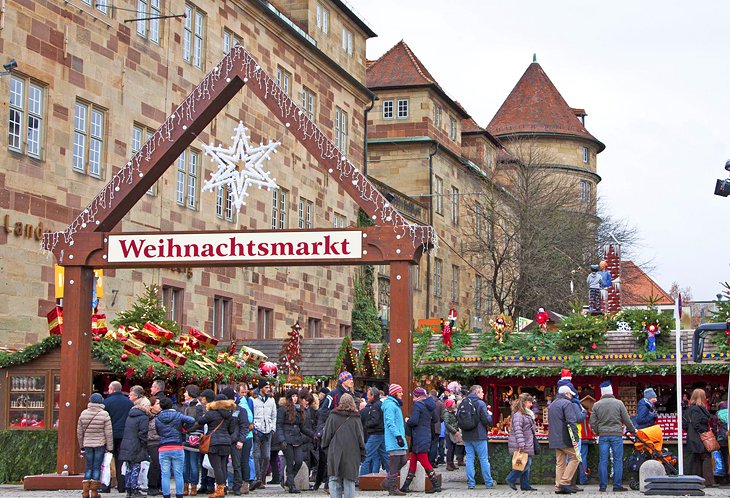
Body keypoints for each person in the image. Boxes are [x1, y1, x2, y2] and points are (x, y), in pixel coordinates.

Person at [590, 380, 635, 492]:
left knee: (603, 460)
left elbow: (592, 422)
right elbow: (626, 420)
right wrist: (633, 431)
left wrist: (597, 431)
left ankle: (603, 486)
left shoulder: (596, 405)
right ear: (611, 391)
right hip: (616, 435)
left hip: (603, 436)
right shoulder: (619, 403)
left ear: (602, 393)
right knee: (617, 460)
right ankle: (617, 485)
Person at [314, 371, 354, 491]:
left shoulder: (351, 394)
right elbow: (323, 411)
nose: (351, 381)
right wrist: (334, 419)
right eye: (349, 379)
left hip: (345, 431)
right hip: (332, 430)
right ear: (343, 381)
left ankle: (336, 482)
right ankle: (324, 483)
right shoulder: (333, 394)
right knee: (327, 458)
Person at [191, 392, 236, 498]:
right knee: (222, 466)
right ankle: (223, 488)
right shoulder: (230, 415)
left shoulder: (211, 413)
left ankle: (219, 490)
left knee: (216, 467)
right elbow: (231, 430)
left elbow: (200, 421)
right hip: (226, 443)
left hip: (214, 443)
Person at [321, 393, 365, 498]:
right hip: (352, 452)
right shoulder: (356, 418)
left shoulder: (333, 416)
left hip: (335, 451)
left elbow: (326, 436)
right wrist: (362, 453)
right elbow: (360, 438)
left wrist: (327, 449)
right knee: (349, 481)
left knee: (334, 479)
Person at [401, 387, 441, 493]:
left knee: (424, 461)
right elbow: (436, 419)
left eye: (414, 396)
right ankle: (405, 486)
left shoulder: (418, 405)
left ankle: (436, 485)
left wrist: (407, 420)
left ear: (417, 396)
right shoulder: (430, 405)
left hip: (419, 436)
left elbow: (414, 421)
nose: (413, 398)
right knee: (413, 460)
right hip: (426, 434)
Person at [276, 388, 315, 494]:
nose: (295, 398)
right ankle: (291, 485)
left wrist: (313, 435)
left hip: (297, 438)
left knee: (298, 461)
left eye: (296, 396)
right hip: (287, 438)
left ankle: (289, 480)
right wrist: (281, 439)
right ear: (289, 398)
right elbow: (278, 425)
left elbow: (302, 427)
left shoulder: (299, 409)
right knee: (289, 461)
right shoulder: (282, 410)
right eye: (293, 396)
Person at [155, 397, 195, 498]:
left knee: (165, 474)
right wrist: (183, 427)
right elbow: (192, 420)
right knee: (178, 473)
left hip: (163, 447)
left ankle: (166, 495)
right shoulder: (177, 415)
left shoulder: (158, 417)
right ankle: (179, 494)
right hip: (177, 446)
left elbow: (158, 431)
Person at [77, 392, 113, 498]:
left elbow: (79, 432)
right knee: (97, 467)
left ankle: (85, 492)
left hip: (87, 444)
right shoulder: (104, 414)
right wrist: (110, 447)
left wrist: (81, 445)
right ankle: (94, 492)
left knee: (88, 467)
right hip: (100, 444)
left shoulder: (83, 413)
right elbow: (108, 432)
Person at [460, 384, 495, 489]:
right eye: (482, 392)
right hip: (479, 435)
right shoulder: (480, 403)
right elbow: (486, 420)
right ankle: (488, 482)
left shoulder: (464, 402)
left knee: (469, 459)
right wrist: (490, 416)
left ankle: (471, 483)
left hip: (466, 434)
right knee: (483, 459)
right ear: (477, 393)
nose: (483, 394)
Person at [118, 387, 150, 498]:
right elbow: (143, 433)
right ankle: (134, 489)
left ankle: (128, 490)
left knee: (128, 468)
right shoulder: (143, 417)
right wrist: (144, 445)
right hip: (136, 444)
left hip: (127, 444)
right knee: (136, 467)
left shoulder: (130, 415)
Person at [548, 385, 580, 494]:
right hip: (564, 437)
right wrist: (575, 438)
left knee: (560, 462)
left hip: (554, 438)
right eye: (570, 394)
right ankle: (564, 482)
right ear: (566, 394)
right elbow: (571, 421)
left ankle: (558, 486)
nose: (571, 396)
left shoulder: (552, 405)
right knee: (575, 458)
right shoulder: (567, 403)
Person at [104, 381, 133, 493]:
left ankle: (106, 486)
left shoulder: (106, 402)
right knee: (121, 460)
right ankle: (122, 486)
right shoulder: (129, 403)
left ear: (112, 389)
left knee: (107, 460)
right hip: (124, 434)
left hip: (110, 434)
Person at [505, 393, 537, 491]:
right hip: (523, 443)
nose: (531, 404)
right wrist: (521, 444)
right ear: (524, 402)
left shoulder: (524, 413)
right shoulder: (519, 414)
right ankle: (511, 478)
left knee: (526, 462)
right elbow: (518, 430)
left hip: (527, 442)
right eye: (529, 402)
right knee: (526, 463)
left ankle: (525, 484)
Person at [222, 387, 251, 496]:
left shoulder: (240, 410)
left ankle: (237, 486)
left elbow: (245, 426)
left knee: (237, 464)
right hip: (225, 440)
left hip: (235, 440)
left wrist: (241, 440)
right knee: (223, 465)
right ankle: (223, 485)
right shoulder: (223, 410)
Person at [683, 388, 715, 486]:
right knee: (706, 457)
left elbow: (685, 424)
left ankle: (698, 480)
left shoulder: (690, 408)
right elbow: (697, 424)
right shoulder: (697, 408)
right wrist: (705, 431)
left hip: (693, 437)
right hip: (699, 437)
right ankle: (708, 481)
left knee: (697, 459)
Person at [381, 384, 408, 496]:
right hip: (395, 439)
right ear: (394, 393)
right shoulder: (390, 405)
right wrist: (397, 436)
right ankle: (392, 487)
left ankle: (388, 482)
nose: (402, 394)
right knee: (396, 462)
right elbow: (390, 422)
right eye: (400, 392)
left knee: (402, 461)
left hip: (398, 438)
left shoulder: (394, 404)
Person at [250, 380, 277, 491]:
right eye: (266, 387)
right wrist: (253, 428)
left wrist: (272, 428)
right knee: (256, 455)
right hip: (257, 429)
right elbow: (251, 414)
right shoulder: (253, 399)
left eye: (268, 387)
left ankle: (262, 476)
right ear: (261, 388)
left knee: (266, 456)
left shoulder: (271, 400)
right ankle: (257, 479)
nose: (268, 389)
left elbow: (274, 414)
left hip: (267, 429)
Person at [179, 384, 204, 496]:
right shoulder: (185, 406)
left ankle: (193, 485)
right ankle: (185, 485)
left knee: (193, 463)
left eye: (186, 392)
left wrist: (188, 430)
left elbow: (199, 422)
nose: (184, 394)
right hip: (185, 437)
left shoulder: (198, 406)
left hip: (194, 437)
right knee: (185, 463)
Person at [232, 385, 254, 495]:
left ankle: (243, 485)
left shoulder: (243, 404)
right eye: (242, 392)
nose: (244, 394)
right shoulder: (247, 402)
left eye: (245, 392)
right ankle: (244, 484)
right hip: (247, 436)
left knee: (242, 462)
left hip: (244, 437)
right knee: (243, 461)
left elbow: (250, 420)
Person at [360, 387, 388, 476]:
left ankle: (362, 478)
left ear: (373, 395)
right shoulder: (380, 404)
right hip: (381, 433)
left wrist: (366, 424)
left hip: (375, 433)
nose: (367, 397)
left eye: (368, 395)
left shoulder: (375, 406)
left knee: (366, 456)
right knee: (385, 456)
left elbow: (375, 420)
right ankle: (393, 475)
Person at [146, 398, 162, 497]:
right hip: (151, 442)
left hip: (161, 442)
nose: (159, 406)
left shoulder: (162, 415)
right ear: (151, 406)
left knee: (160, 464)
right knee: (154, 463)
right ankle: (152, 486)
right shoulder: (147, 417)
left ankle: (158, 485)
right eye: (157, 404)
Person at [442, 399, 462, 471]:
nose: (455, 404)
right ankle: (449, 464)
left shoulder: (452, 412)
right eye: (453, 403)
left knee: (453, 449)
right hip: (449, 433)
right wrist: (454, 431)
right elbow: (447, 424)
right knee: (450, 449)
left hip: (452, 432)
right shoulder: (447, 413)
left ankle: (451, 463)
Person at [714, 401, 728, 486]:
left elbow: (714, 426)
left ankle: (725, 477)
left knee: (724, 459)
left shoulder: (717, 415)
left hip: (722, 440)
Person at [428, 390, 444, 467]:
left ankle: (426, 461)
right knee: (434, 445)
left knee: (428, 444)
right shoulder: (440, 403)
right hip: (437, 426)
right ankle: (432, 461)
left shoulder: (426, 403)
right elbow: (442, 417)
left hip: (427, 426)